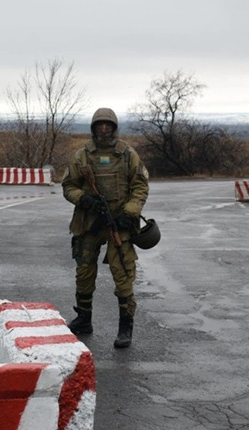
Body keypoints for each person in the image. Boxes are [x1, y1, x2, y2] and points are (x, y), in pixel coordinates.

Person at [61, 107, 149, 348]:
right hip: (89, 221)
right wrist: (83, 198)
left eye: (107, 125)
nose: (103, 129)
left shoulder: (127, 154)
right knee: (84, 270)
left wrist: (129, 213)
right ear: (93, 128)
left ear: (114, 127)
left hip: (118, 223)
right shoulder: (83, 156)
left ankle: (125, 326)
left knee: (122, 272)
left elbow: (140, 186)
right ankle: (83, 319)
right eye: (99, 125)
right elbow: (68, 185)